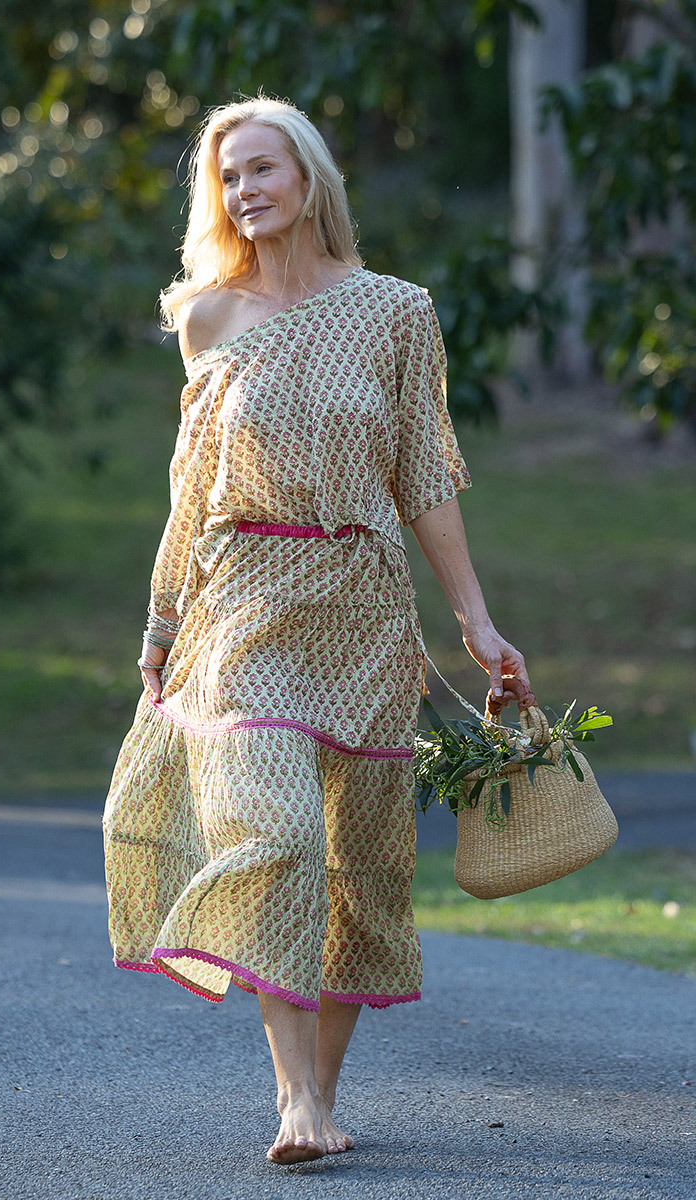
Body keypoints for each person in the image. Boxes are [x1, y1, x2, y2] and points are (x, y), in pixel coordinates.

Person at [103, 95, 530, 1166]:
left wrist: (474, 618)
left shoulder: (395, 310)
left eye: (262, 169)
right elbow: (189, 488)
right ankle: (292, 1099)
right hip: (245, 602)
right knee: (277, 837)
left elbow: (424, 474)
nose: (245, 191)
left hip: (363, 607)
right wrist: (161, 619)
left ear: (309, 178)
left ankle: (318, 1103)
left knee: (357, 871)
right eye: (228, 177)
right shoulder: (207, 318)